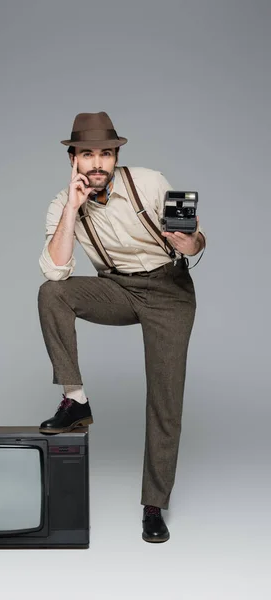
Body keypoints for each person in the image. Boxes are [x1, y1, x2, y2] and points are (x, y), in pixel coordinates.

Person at [37, 111, 206, 543]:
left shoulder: (147, 182)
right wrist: (74, 209)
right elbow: (56, 273)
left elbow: (197, 239)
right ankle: (76, 401)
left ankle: (154, 505)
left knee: (165, 401)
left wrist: (187, 242)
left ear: (117, 157)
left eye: (106, 154)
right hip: (118, 290)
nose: (97, 163)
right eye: (88, 154)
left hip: (169, 291)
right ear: (73, 158)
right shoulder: (62, 203)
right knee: (51, 295)